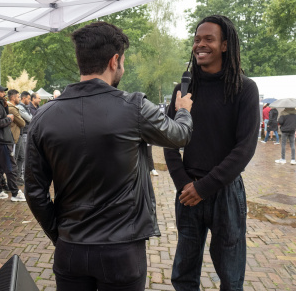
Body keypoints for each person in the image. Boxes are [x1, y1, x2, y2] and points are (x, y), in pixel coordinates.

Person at [25, 21, 193, 291]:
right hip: (122, 252)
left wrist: (60, 235)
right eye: (123, 61)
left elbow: (34, 192)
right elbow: (180, 135)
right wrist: (183, 109)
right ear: (115, 61)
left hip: (71, 249)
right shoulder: (134, 107)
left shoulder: (43, 116)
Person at [164, 15, 260, 291]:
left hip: (225, 193)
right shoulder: (183, 89)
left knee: (230, 278)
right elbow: (169, 141)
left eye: (208, 39)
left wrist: (205, 187)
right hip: (187, 192)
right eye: (197, 40)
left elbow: (244, 149)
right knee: (183, 275)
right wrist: (184, 184)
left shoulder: (244, 89)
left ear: (225, 45)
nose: (200, 45)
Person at [0, 85, 26, 202]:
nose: (3, 93)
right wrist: (9, 119)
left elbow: (0, 118)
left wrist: (5, 108)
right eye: (1, 92)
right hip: (2, 140)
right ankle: (15, 193)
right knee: (11, 167)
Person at [7, 89, 26, 185]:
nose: (19, 98)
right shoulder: (12, 108)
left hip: (18, 135)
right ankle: (13, 180)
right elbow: (22, 122)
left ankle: (17, 177)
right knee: (15, 158)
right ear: (13, 97)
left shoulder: (13, 107)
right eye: (18, 97)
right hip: (14, 136)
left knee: (21, 157)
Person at [16, 91, 32, 182]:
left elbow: (31, 117)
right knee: (22, 156)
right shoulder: (20, 107)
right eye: (29, 99)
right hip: (23, 133)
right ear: (24, 98)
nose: (29, 101)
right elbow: (30, 118)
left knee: (23, 156)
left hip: (26, 133)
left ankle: (21, 175)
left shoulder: (26, 107)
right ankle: (20, 176)